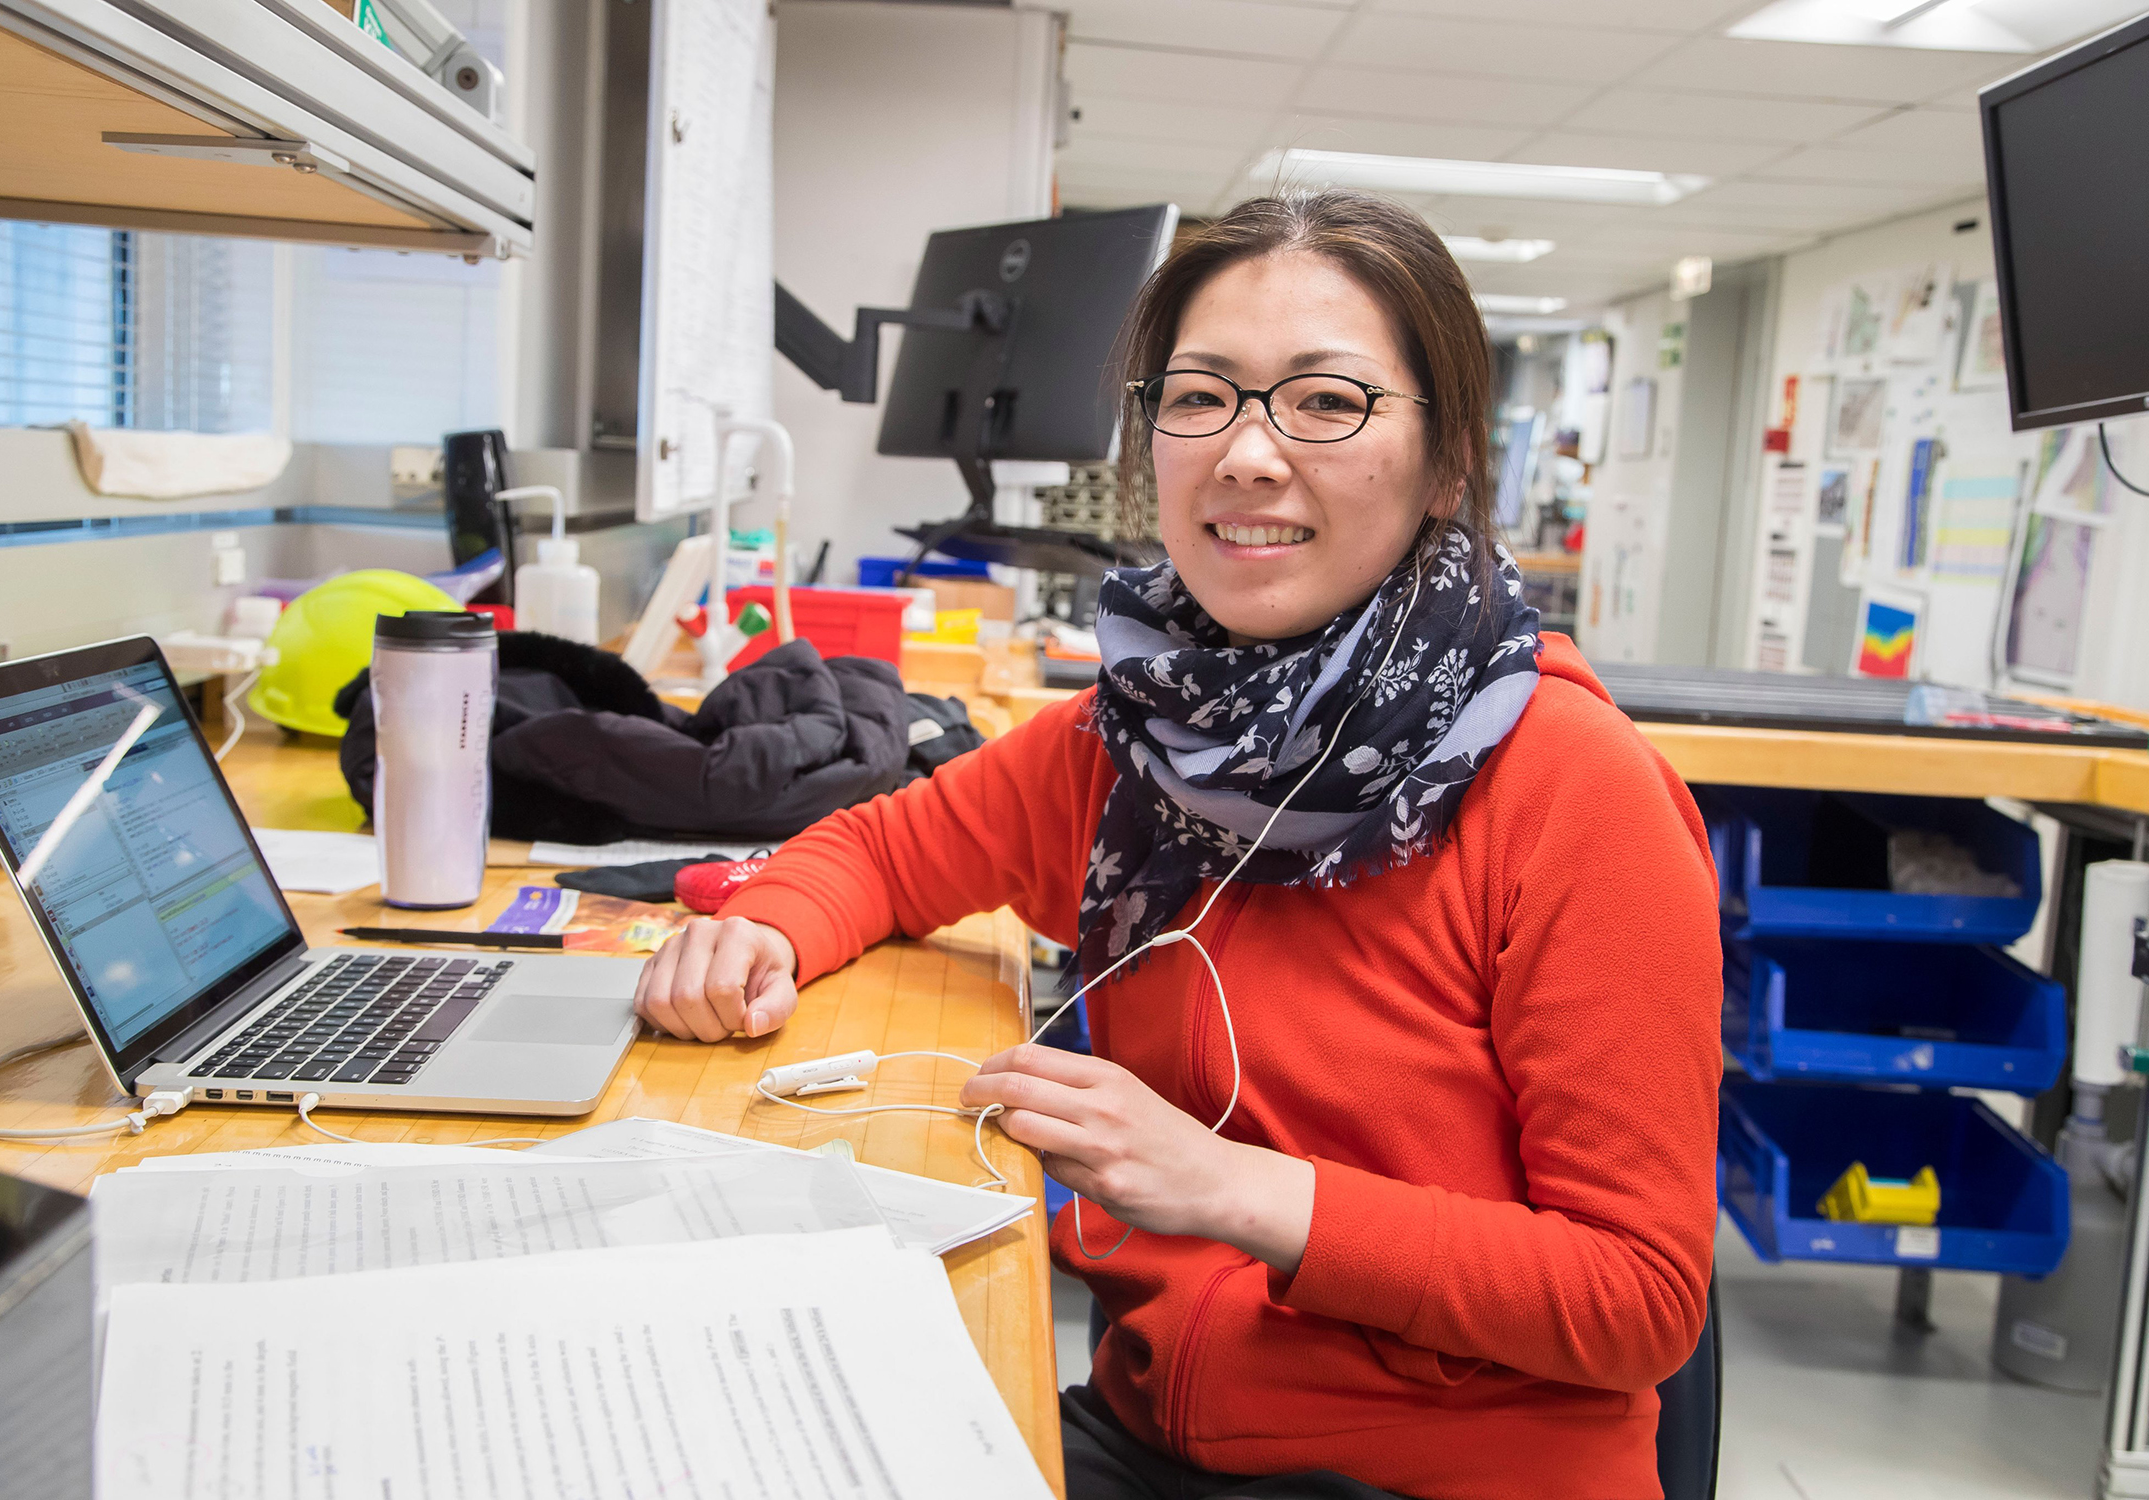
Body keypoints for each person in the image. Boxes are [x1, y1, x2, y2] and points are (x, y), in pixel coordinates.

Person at [632, 189, 1722, 1500]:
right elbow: (883, 848)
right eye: (1201, 397)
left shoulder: (1570, 788)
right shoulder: (1140, 734)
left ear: (1447, 464)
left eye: (1327, 402)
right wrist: (762, 923)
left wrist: (1236, 1190)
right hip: (1158, 1433)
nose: (1248, 454)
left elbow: (1638, 1301)